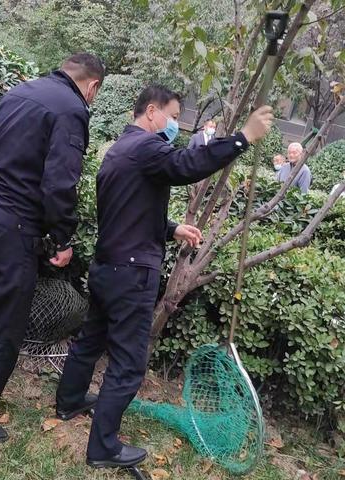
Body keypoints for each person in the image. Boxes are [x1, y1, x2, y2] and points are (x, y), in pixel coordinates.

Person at [55, 85, 273, 470]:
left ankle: (70, 400)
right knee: (128, 363)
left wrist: (170, 227)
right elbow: (187, 165)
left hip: (108, 266)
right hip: (131, 274)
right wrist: (243, 138)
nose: (175, 126)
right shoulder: (146, 148)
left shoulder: (119, 151)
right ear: (152, 112)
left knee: (91, 339)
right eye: (174, 117)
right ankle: (102, 448)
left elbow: (128, 209)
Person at [0, 53, 105, 443]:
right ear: (93, 86)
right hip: (12, 225)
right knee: (5, 319)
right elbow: (59, 184)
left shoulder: (21, 91)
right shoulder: (72, 109)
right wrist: (63, 238)